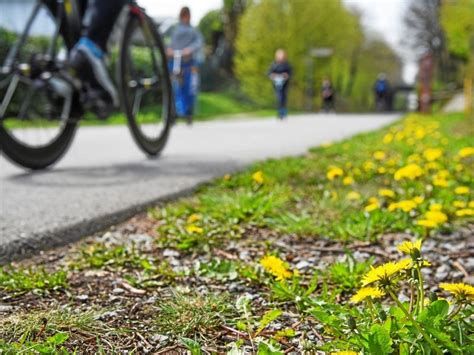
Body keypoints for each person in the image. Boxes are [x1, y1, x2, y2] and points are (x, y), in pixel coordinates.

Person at [166, 7, 203, 123]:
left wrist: (190, 50)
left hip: (188, 62)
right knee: (173, 87)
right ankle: (173, 113)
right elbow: (167, 42)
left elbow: (199, 41)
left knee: (189, 88)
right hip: (175, 61)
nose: (186, 18)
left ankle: (188, 113)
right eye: (184, 16)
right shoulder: (174, 29)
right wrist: (168, 50)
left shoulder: (193, 30)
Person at [268, 49, 292, 119]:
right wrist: (273, 75)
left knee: (284, 97)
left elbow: (290, 72)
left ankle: (283, 112)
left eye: (281, 56)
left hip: (285, 84)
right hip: (276, 84)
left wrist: (286, 75)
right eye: (279, 55)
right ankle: (280, 112)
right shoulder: (273, 64)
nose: (280, 57)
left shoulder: (286, 64)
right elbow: (269, 73)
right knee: (279, 97)